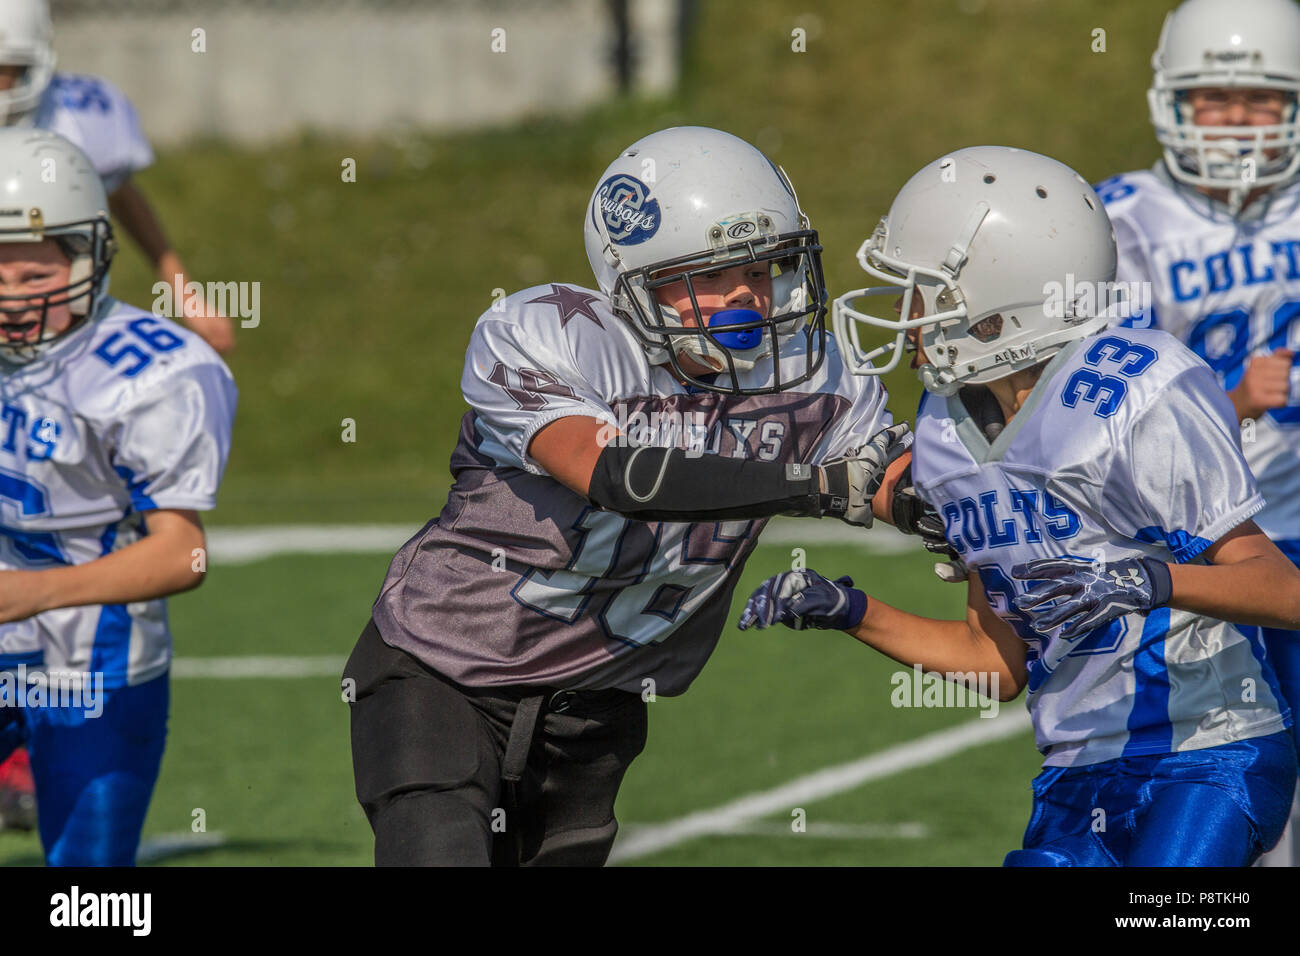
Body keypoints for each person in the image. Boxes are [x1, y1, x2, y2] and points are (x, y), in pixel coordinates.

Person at [344, 125, 929, 866]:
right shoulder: (556, 333)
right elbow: (613, 475)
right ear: (639, 283)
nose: (749, 295)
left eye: (767, 265)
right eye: (714, 277)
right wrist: (812, 489)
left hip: (598, 703)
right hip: (442, 669)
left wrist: (949, 506)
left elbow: (885, 477)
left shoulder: (815, 370)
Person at [744, 145, 1300, 866]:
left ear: (1003, 301)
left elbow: (1284, 590)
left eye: (926, 294)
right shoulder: (946, 426)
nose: (906, 316)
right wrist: (849, 611)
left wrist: (1148, 582)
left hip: (1208, 749)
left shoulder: (1134, 391)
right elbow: (995, 664)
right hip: (1076, 768)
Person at [1097, 0, 1300, 864]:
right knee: (1232, 786)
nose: (1237, 122)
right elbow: (1101, 411)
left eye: (1259, 99)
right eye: (1213, 97)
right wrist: (1232, 399)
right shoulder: (1121, 221)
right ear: (1171, 102)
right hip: (1207, 545)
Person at [0, 128, 236, 865]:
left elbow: (184, 552)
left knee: (88, 894)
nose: (12, 299)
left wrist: (32, 593)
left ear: (90, 257)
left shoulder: (152, 371)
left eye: (35, 277)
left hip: (96, 663)